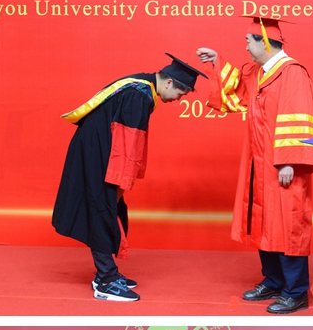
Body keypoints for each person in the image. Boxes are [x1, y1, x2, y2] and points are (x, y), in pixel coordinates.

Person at [53, 55, 207, 301]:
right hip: (99, 154)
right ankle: (106, 280)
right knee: (103, 209)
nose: (178, 100)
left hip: (97, 149)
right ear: (169, 83)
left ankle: (106, 273)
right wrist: (121, 183)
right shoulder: (139, 96)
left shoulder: (140, 85)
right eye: (180, 94)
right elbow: (127, 143)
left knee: (106, 208)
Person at [196, 17, 313, 315]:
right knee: (264, 222)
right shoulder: (259, 72)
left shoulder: (292, 73)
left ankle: (296, 292)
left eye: (248, 42)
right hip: (258, 162)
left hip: (282, 164)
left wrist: (289, 160)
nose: (246, 48)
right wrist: (217, 60)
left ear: (264, 42)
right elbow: (237, 90)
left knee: (288, 224)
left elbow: (301, 114)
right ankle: (274, 280)